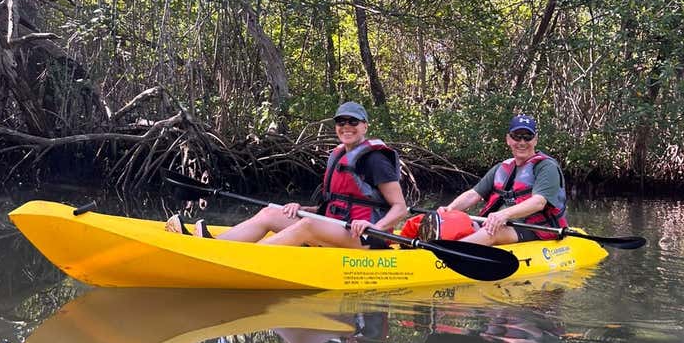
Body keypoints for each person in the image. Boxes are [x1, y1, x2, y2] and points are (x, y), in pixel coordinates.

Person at [166, 101, 407, 249]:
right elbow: (332, 207)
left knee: (308, 226)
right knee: (272, 212)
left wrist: (374, 225)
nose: (346, 126)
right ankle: (215, 246)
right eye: (340, 122)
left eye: (353, 122)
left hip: (367, 236)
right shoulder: (338, 155)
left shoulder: (375, 160)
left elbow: (400, 208)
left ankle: (243, 258)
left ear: (365, 126)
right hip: (337, 227)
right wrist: (301, 207)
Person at [438, 113, 568, 245]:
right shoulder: (502, 168)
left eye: (527, 137)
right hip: (507, 224)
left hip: (536, 229)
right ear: (508, 139)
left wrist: (503, 214)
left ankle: (447, 255)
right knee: (456, 224)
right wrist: (449, 210)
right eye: (516, 137)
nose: (522, 142)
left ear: (535, 140)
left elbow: (538, 202)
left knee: (491, 231)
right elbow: (473, 194)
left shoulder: (546, 167)